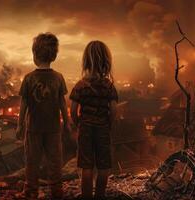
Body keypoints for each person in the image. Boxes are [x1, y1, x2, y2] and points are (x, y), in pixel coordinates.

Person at [16, 32, 71, 199]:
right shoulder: (58, 78)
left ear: (34, 55)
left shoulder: (28, 78)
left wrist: (20, 125)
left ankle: (31, 191)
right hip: (53, 128)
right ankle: (57, 191)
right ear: (53, 55)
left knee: (32, 160)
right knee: (55, 161)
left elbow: (24, 104)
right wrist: (66, 122)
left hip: (33, 128)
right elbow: (62, 103)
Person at [69, 40, 118, 200]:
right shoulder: (109, 86)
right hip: (103, 128)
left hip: (86, 129)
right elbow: (114, 110)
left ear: (86, 62)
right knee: (104, 167)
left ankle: (86, 196)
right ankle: (100, 195)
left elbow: (73, 110)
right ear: (106, 62)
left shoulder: (80, 85)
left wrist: (78, 124)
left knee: (86, 167)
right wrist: (108, 124)